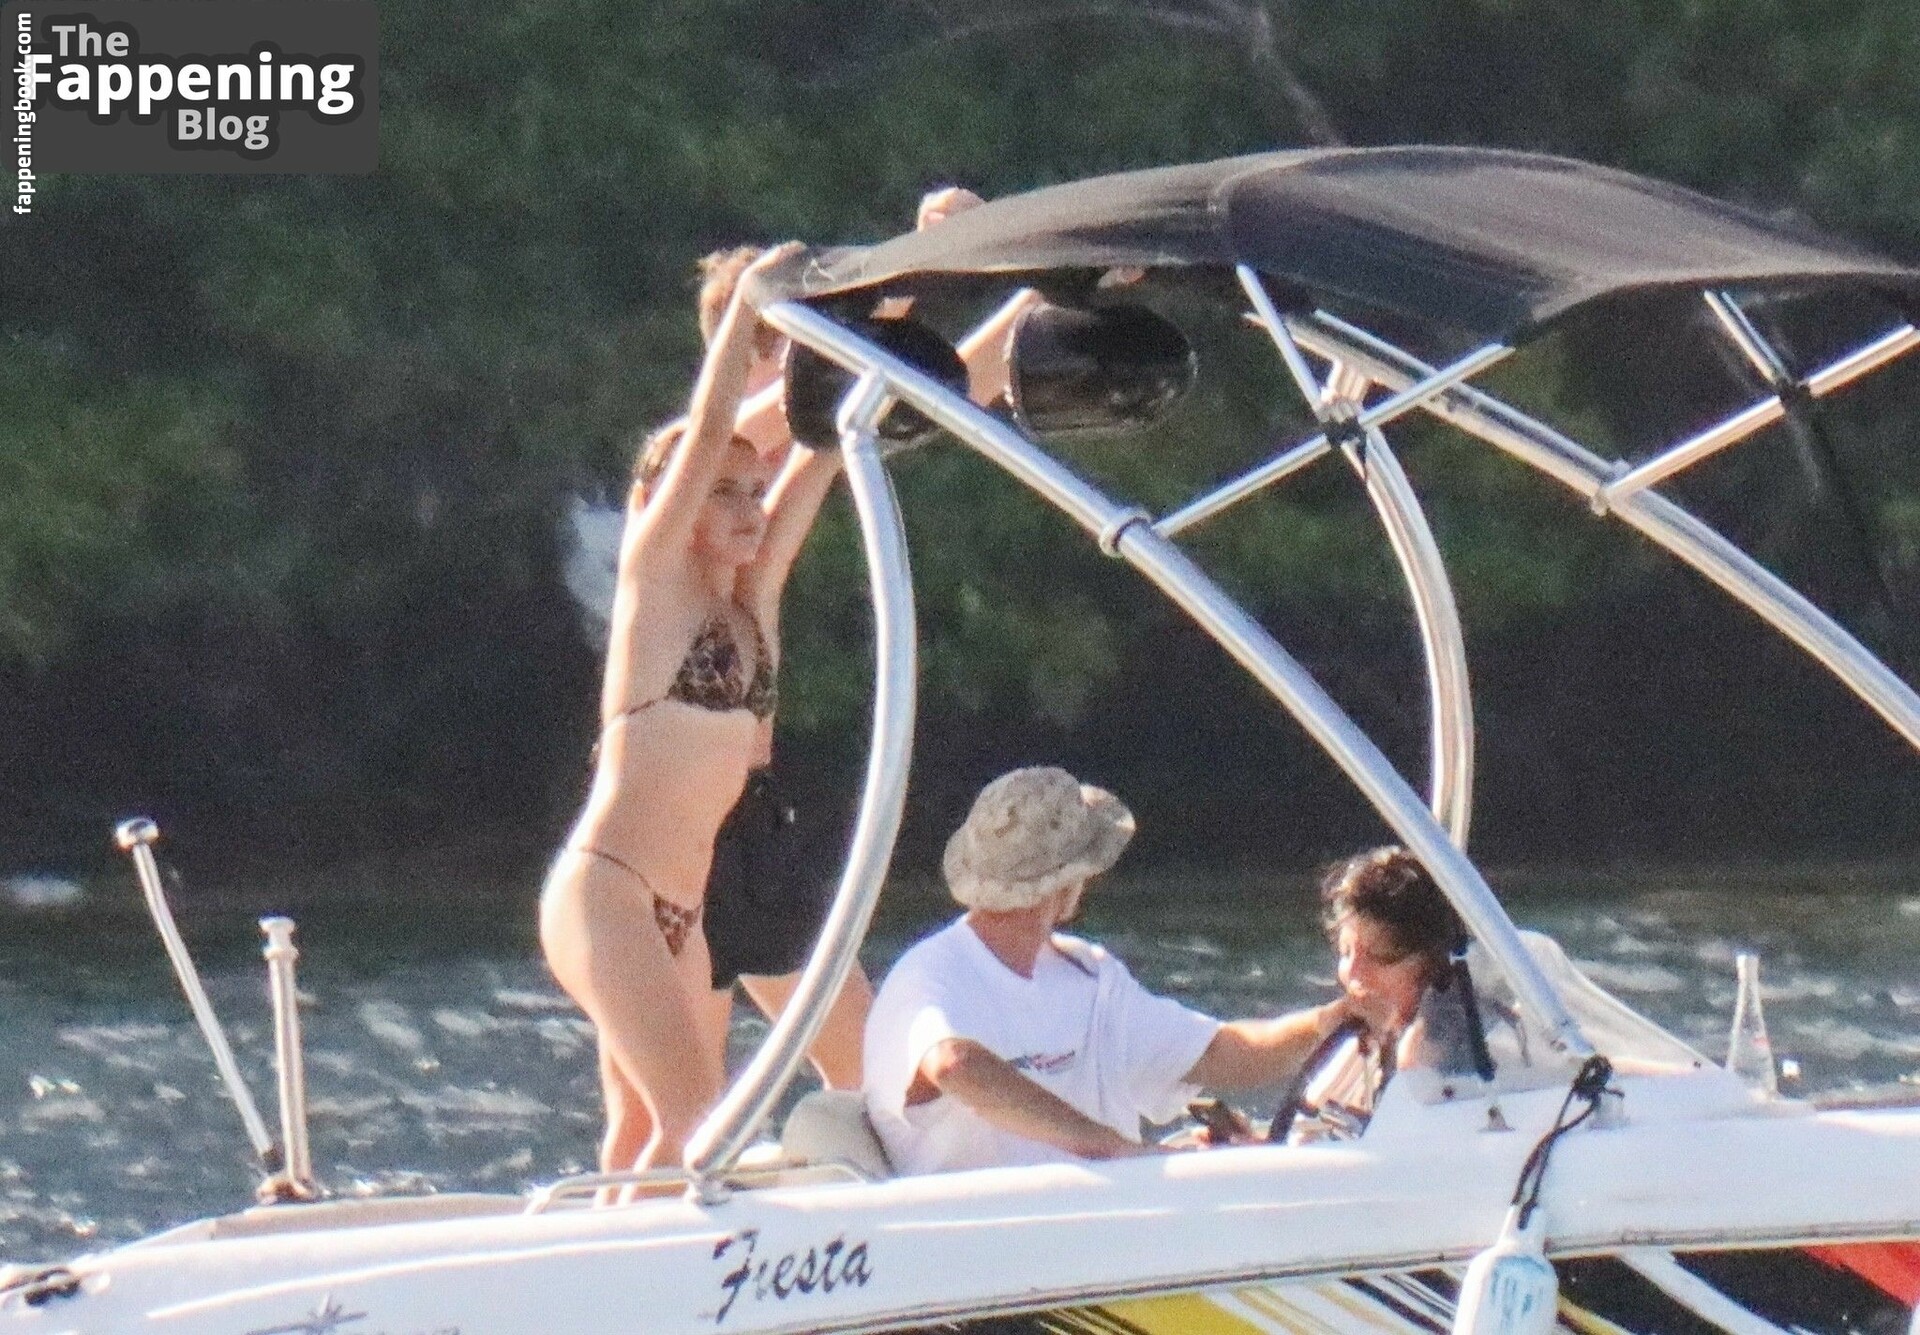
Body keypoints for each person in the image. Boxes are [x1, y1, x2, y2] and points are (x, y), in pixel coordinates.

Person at [863, 766, 1356, 1176]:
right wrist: (1112, 1149)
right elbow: (953, 1065)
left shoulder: (1088, 974)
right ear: (1066, 884)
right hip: (996, 1245)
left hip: (1095, 1231)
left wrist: (1328, 1022)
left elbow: (1218, 1054)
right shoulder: (930, 974)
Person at [1278, 845, 1489, 1139]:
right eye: (1346, 953)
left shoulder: (1448, 1054)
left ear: (1434, 962)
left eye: (1379, 957)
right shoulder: (1363, 1044)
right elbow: (1299, 1135)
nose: (1353, 974)